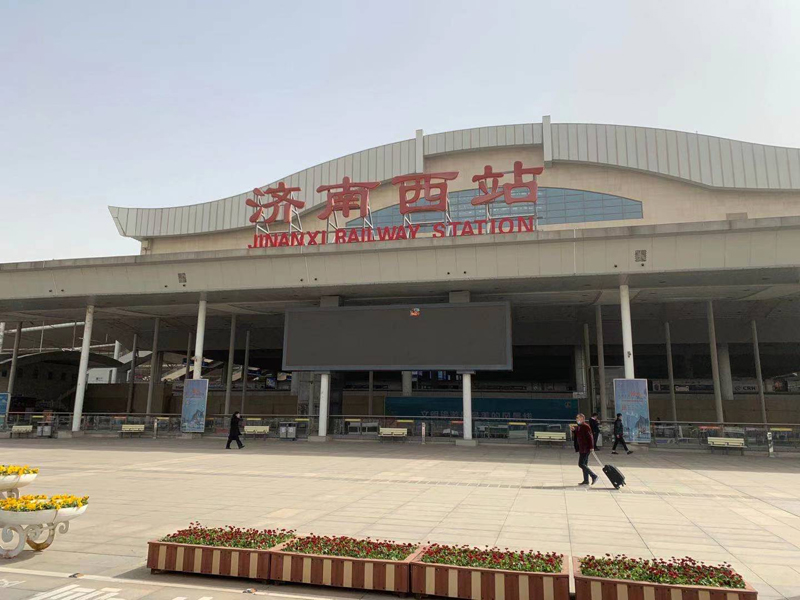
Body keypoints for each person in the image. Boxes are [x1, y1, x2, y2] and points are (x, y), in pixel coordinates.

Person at [573, 413, 597, 486]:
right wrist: (574, 430)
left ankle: (593, 476)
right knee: (585, 464)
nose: (577, 419)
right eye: (577, 418)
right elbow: (578, 434)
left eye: (579, 418)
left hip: (585, 448)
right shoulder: (579, 426)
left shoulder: (586, 426)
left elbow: (590, 437)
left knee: (581, 464)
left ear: (582, 419)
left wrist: (591, 447)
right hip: (581, 447)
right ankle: (586, 480)